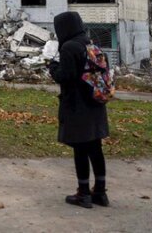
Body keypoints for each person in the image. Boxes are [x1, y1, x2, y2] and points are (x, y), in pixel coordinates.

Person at [49, 11, 109, 208]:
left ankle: (83, 193)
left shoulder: (69, 47)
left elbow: (65, 76)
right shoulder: (91, 43)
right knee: (95, 148)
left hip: (77, 106)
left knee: (80, 149)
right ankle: (100, 192)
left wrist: (53, 69)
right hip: (95, 103)